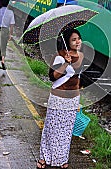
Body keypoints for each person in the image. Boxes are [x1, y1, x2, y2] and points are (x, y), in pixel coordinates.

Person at [37, 29, 84, 169]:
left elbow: (79, 78)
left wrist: (78, 98)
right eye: (74, 39)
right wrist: (65, 63)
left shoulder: (81, 56)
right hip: (58, 98)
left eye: (79, 39)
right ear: (67, 42)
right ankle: (44, 157)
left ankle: (61, 159)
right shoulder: (59, 56)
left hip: (73, 99)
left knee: (66, 131)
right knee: (51, 128)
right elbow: (52, 77)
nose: (77, 42)